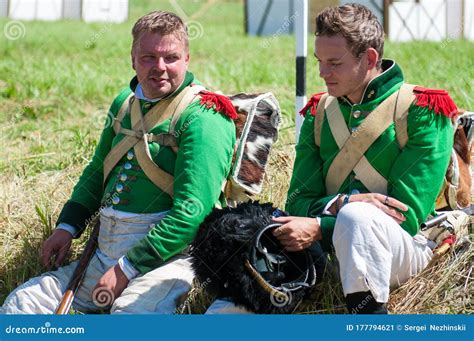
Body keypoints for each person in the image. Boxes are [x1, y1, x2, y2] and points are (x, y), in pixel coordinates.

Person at [207, 3, 456, 314]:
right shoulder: (320, 113)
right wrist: (343, 205)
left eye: (334, 63)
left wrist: (322, 227)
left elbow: (405, 215)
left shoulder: (422, 109)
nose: (323, 73)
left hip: (401, 250)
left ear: (369, 59)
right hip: (330, 251)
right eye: (319, 62)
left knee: (359, 219)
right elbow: (298, 201)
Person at [1, 10, 236, 314]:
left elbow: (193, 214)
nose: (160, 68)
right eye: (148, 57)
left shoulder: (205, 115)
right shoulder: (124, 103)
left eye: (171, 58)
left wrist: (128, 267)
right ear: (133, 59)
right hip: (106, 255)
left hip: (171, 258)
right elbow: (97, 172)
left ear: (187, 58)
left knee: (130, 319)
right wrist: (67, 227)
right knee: (21, 306)